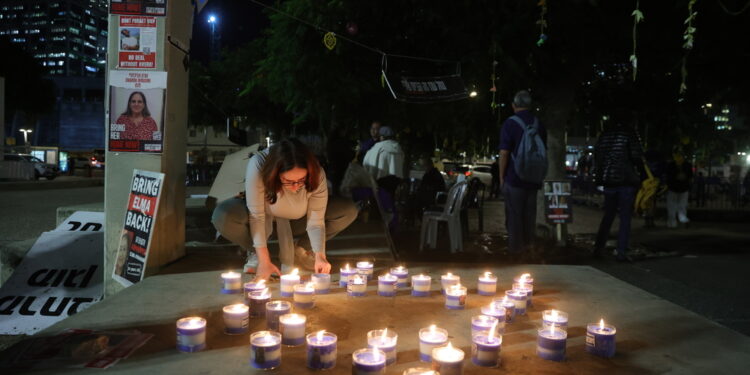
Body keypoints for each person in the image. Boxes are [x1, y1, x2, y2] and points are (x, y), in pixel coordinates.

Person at [211, 138, 358, 280]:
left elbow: (316, 221)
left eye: (301, 181)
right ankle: (257, 251)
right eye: (288, 181)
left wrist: (320, 256)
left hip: (297, 220)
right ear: (274, 174)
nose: (295, 187)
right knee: (223, 215)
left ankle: (301, 249)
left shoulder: (316, 173)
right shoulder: (259, 164)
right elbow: (257, 216)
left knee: (348, 209)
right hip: (261, 219)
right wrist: (263, 261)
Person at [498, 90, 547, 255]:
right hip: (533, 179)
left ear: (514, 105)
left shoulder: (510, 123)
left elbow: (504, 153)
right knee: (529, 217)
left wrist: (501, 177)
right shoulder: (538, 123)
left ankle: (515, 253)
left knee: (514, 217)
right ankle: (529, 250)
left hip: (515, 178)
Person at [593, 110, 643, 261]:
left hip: (609, 180)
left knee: (608, 215)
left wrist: (600, 178)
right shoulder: (630, 133)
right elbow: (636, 156)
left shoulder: (605, 134)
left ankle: (598, 248)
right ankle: (621, 251)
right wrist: (640, 173)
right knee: (625, 217)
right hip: (625, 179)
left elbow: (598, 157)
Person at [665, 150, 693, 227]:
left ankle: (674, 222)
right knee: (677, 206)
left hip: (679, 188)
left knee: (677, 206)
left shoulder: (672, 165)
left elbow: (690, 177)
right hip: (676, 188)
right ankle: (676, 221)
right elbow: (690, 177)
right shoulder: (685, 165)